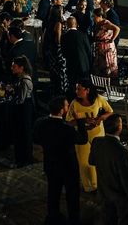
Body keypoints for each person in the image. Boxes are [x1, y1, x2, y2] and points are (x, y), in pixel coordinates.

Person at [33, 95, 88, 225]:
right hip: (68, 166)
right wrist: (80, 121)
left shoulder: (40, 123)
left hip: (51, 164)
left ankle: (53, 217)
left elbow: (35, 139)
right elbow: (83, 139)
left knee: (53, 192)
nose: (68, 107)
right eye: (67, 105)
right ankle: (74, 219)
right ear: (61, 110)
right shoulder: (66, 128)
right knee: (72, 195)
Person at [66, 79, 113, 193]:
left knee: (98, 159)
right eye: (76, 89)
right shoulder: (74, 103)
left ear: (87, 90)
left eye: (79, 89)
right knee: (84, 162)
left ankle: (99, 183)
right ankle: (89, 186)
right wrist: (81, 121)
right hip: (82, 136)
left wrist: (100, 118)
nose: (76, 91)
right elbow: (68, 121)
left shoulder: (98, 99)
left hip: (97, 134)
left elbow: (109, 111)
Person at [88, 114, 128, 225]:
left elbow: (91, 161)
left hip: (103, 192)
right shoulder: (121, 151)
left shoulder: (96, 141)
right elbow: (124, 177)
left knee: (107, 219)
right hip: (118, 195)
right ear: (119, 128)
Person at [11, 55, 35, 167]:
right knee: (20, 133)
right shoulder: (20, 79)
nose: (12, 68)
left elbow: (21, 99)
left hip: (24, 109)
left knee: (24, 133)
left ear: (21, 68)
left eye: (14, 67)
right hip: (22, 109)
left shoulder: (25, 80)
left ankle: (25, 158)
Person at [45, 0, 69, 96]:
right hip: (56, 48)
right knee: (59, 70)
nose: (62, 1)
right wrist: (59, 46)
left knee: (53, 70)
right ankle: (60, 90)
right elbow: (58, 36)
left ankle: (53, 88)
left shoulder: (51, 13)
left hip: (49, 46)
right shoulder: (58, 22)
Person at [61, 16, 92, 93]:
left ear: (67, 25)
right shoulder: (83, 35)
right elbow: (88, 50)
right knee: (84, 84)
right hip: (83, 64)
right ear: (76, 24)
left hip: (71, 64)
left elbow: (64, 53)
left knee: (72, 84)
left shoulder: (64, 36)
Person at [93, 8, 120, 77]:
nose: (93, 18)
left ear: (99, 16)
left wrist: (112, 39)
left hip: (107, 47)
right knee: (100, 66)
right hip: (100, 48)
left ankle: (110, 81)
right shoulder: (97, 24)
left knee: (108, 64)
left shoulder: (106, 23)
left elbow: (117, 29)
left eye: (94, 16)